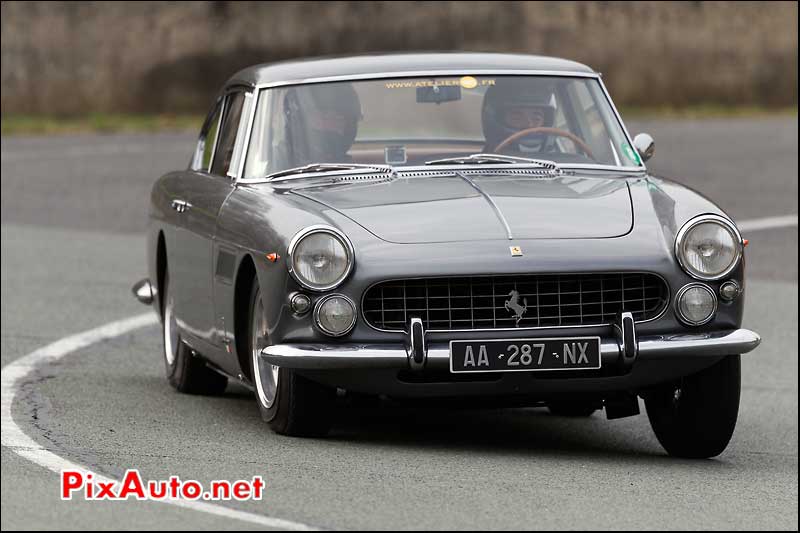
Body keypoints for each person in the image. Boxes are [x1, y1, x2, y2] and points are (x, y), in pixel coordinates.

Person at [285, 82, 362, 165]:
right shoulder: (277, 163)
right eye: (324, 117)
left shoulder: (350, 169)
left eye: (340, 119)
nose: (333, 125)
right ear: (300, 120)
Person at [481, 79, 558, 155]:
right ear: (497, 119)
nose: (529, 125)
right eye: (517, 118)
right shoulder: (483, 165)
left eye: (536, 118)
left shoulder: (559, 162)